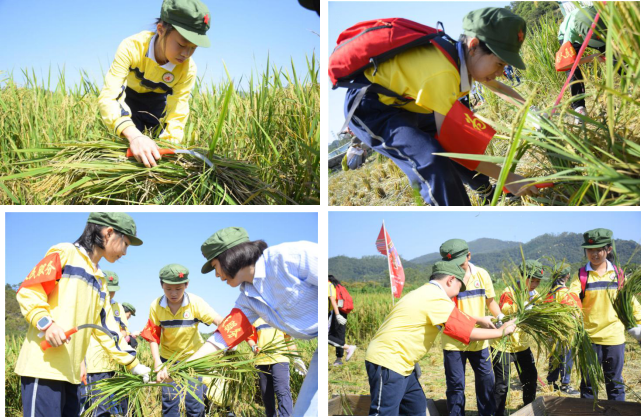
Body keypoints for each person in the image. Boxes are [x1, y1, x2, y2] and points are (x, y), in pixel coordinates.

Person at [341, 7, 539, 206]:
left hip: (406, 105)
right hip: (372, 109)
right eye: (499, 64)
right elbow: (453, 146)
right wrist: (509, 177)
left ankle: (485, 190)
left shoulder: (460, 57)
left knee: (466, 138)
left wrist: (533, 113)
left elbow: (498, 87)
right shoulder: (442, 73)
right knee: (432, 162)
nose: (501, 72)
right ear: (474, 45)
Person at [14, 212, 150, 417]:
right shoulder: (65, 253)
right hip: (43, 368)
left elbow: (105, 328)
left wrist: (133, 364)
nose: (125, 252)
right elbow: (29, 291)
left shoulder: (100, 279)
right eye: (126, 244)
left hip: (71, 375)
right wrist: (47, 324)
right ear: (109, 233)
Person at [182, 227, 318, 416]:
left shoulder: (288, 257)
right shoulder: (248, 299)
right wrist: (185, 365)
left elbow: (331, 284)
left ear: (229, 257)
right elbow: (222, 338)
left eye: (215, 267)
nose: (216, 275)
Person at [364, 261, 517, 416]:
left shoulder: (426, 292)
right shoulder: (436, 298)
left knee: (416, 407)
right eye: (459, 288)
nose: (458, 293)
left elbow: (457, 318)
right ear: (450, 280)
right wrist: (501, 332)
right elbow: (467, 332)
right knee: (385, 413)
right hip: (389, 362)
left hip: (404, 363)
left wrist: (479, 320)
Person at [98, 0, 211, 168]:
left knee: (154, 154)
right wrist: (134, 136)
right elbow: (110, 97)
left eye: (193, 48)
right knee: (129, 152)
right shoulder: (131, 47)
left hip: (158, 104)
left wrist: (169, 148)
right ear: (161, 30)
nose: (186, 53)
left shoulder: (188, 69)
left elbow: (177, 111)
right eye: (181, 44)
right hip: (127, 100)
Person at [140, 263, 223, 417]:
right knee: (170, 404)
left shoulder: (195, 303)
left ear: (186, 285)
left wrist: (227, 331)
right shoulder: (156, 306)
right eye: (168, 289)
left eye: (178, 289)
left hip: (192, 360)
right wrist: (158, 362)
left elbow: (218, 319)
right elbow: (152, 336)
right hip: (169, 361)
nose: (173, 293)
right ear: (161, 285)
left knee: (194, 404)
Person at [568, 228, 641, 401]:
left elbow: (630, 302)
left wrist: (638, 326)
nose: (594, 254)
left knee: (615, 384)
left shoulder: (618, 275)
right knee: (588, 384)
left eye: (598, 249)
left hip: (613, 338)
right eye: (590, 250)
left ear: (608, 250)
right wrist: (570, 313)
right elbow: (571, 298)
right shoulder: (581, 275)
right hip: (589, 338)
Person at [438, 239, 502, 416]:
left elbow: (491, 301)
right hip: (454, 341)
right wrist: (478, 320)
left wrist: (501, 317)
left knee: (486, 381)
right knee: (456, 385)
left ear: (469, 255)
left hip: (479, 341)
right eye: (452, 263)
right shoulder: (444, 280)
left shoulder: (482, 274)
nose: (457, 266)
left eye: (461, 262)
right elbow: (448, 314)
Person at [491, 259, 543, 416]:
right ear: (522, 276)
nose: (534, 284)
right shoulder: (509, 292)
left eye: (537, 281)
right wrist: (523, 306)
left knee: (530, 379)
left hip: (523, 345)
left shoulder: (536, 296)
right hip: (503, 346)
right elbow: (506, 312)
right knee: (502, 385)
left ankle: (528, 410)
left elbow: (540, 311)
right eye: (531, 280)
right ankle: (498, 414)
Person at [81, 271, 133, 416]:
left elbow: (124, 331)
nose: (110, 294)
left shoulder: (117, 308)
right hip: (93, 364)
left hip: (112, 363)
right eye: (107, 290)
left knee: (108, 407)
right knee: (93, 406)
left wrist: (116, 336)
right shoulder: (89, 303)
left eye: (113, 291)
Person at [556, 6, 612, 123]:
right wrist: (591, 58)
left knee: (612, 52)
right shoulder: (568, 37)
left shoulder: (601, 14)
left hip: (595, 28)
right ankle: (579, 108)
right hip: (573, 37)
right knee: (573, 71)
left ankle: (630, 80)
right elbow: (566, 65)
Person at [545, 264, 581, 395]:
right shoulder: (566, 293)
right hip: (565, 333)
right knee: (566, 357)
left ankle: (551, 383)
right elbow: (575, 313)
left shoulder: (549, 293)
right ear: (567, 276)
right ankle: (565, 385)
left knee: (554, 357)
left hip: (551, 332)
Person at [252, 318, 295, 417]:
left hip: (280, 359)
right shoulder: (256, 318)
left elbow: (288, 339)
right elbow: (251, 338)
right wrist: (254, 347)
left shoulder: (280, 316)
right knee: (266, 395)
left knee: (282, 391)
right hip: (262, 361)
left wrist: (296, 358)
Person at [328, 275, 357, 366]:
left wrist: (337, 315)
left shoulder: (328, 285)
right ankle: (339, 359)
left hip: (334, 312)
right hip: (342, 311)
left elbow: (332, 300)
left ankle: (348, 348)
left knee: (327, 336)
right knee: (339, 334)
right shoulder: (337, 286)